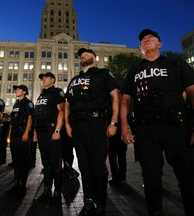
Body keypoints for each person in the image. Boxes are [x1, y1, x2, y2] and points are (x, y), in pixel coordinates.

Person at [120, 29, 194, 216]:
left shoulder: (176, 63)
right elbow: (125, 101)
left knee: (187, 174)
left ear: (160, 44)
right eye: (143, 39)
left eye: (151, 38)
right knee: (150, 176)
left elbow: (192, 92)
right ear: (141, 47)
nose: (147, 40)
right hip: (146, 129)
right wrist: (124, 127)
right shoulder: (133, 71)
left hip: (176, 125)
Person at [65, 48, 119, 216]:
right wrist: (67, 124)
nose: (84, 56)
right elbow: (68, 103)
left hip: (97, 124)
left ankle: (100, 204)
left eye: (87, 54)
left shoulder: (104, 74)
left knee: (97, 165)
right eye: (81, 55)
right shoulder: (74, 79)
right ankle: (88, 201)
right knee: (84, 166)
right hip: (78, 126)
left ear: (95, 58)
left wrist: (113, 122)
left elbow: (115, 97)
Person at [33, 72, 65, 207]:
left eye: (45, 77)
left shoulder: (57, 92)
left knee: (55, 164)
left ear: (52, 79)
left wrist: (57, 130)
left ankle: (57, 193)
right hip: (41, 133)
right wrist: (35, 133)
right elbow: (37, 115)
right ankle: (47, 191)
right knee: (46, 164)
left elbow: (62, 112)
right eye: (42, 78)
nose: (43, 80)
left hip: (52, 131)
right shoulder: (41, 95)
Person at [6, 84, 34, 198]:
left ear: (24, 92)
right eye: (16, 89)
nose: (16, 91)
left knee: (23, 161)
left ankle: (23, 186)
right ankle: (16, 184)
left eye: (18, 89)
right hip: (14, 136)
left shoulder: (28, 103)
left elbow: (30, 118)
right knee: (16, 161)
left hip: (23, 136)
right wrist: (9, 134)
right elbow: (12, 121)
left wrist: (26, 133)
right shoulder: (16, 104)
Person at [107, 121, 127, 186]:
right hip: (115, 134)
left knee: (117, 157)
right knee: (119, 157)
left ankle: (119, 177)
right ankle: (119, 177)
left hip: (117, 133)